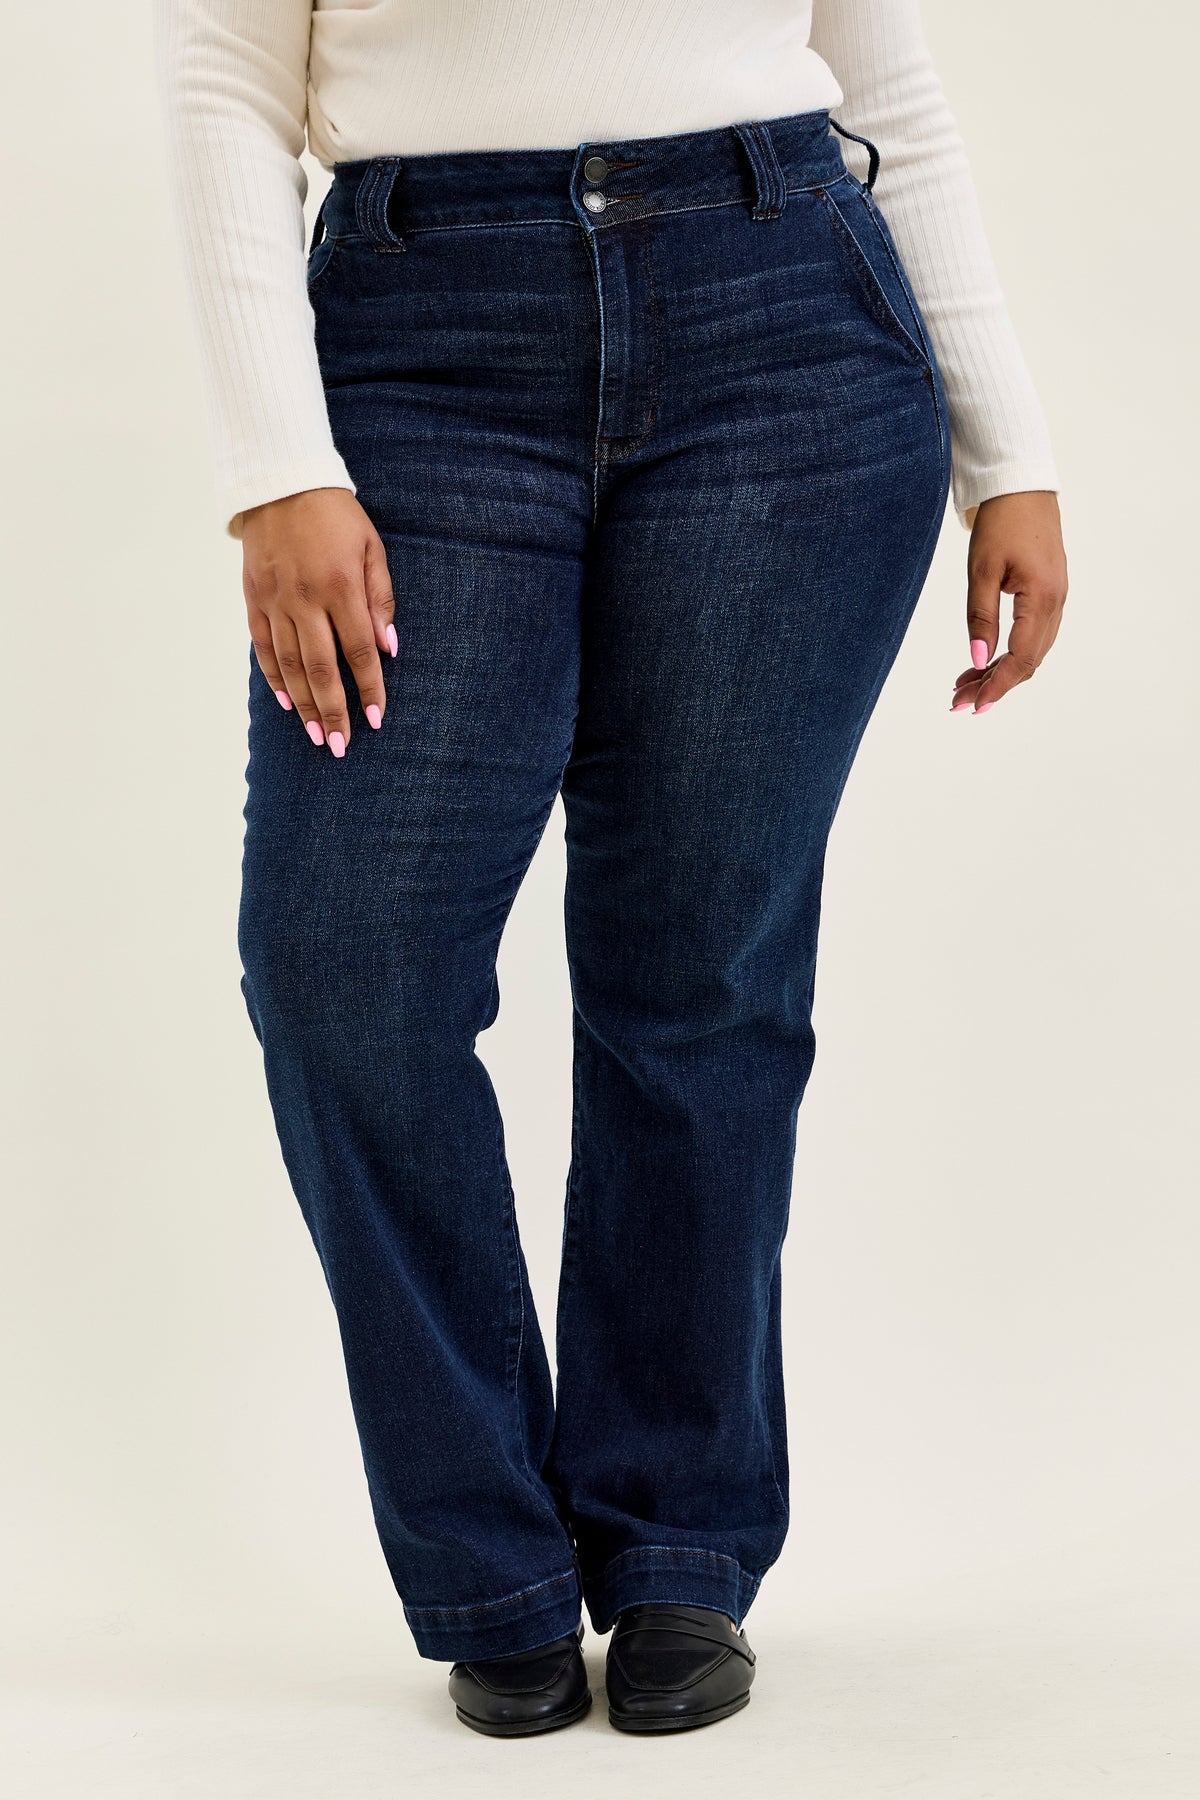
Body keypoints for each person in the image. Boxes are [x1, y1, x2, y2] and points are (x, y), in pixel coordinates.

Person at [152, 0, 1069, 1738]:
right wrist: (274, 466)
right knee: (344, 968)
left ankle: (678, 1543)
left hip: (785, 332)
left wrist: (1007, 449)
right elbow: (220, 72)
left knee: (701, 982)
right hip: (422, 351)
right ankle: (487, 1560)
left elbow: (881, 74)